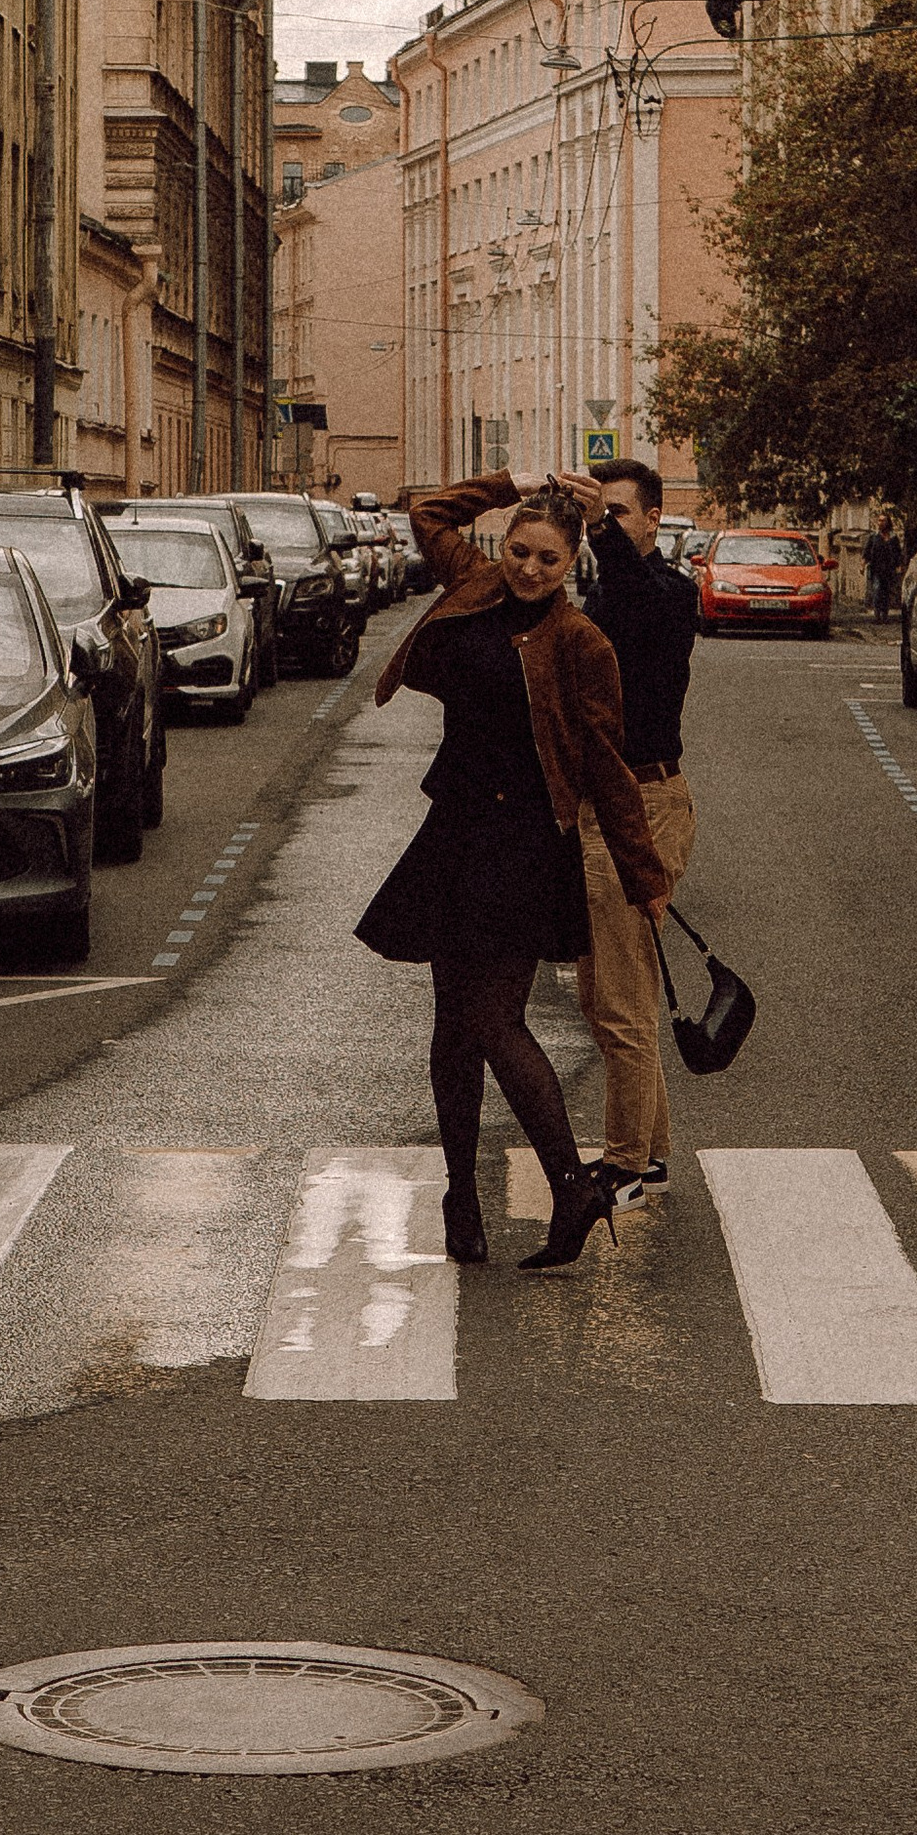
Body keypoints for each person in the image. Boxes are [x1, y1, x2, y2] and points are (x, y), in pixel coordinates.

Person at [359, 474, 671, 1272]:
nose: (529, 569)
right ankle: (460, 1196)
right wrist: (511, 484)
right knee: (450, 1025)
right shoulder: (474, 584)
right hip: (455, 828)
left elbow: (607, 764)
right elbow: (427, 511)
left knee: (494, 1019)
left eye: (548, 559)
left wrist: (645, 872)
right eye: (520, 550)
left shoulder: (579, 642)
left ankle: (571, 1186)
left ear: (572, 563)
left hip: (526, 841)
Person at [558, 458, 699, 1202]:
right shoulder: (602, 593)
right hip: (600, 806)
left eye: (619, 514)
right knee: (608, 994)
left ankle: (624, 1164)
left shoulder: (672, 593)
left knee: (620, 1000)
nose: (607, 526)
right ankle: (652, 1151)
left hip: (647, 803)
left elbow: (644, 609)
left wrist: (600, 535)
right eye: (599, 513)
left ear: (652, 519)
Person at [865, 513, 905, 620]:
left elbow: (897, 553)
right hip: (876, 568)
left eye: (883, 521)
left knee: (886, 592)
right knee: (877, 589)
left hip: (888, 569)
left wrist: (899, 566)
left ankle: (885, 614)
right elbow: (867, 552)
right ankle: (877, 614)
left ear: (888, 523)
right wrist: (862, 564)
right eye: (879, 521)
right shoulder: (874, 537)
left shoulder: (893, 538)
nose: (881, 523)